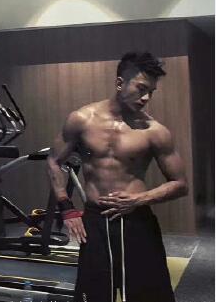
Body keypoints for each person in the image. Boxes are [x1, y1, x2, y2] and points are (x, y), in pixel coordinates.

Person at [47, 51, 188, 302]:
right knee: (95, 295)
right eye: (141, 89)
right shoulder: (82, 119)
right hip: (95, 221)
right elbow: (54, 161)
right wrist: (67, 209)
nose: (146, 98)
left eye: (151, 92)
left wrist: (138, 199)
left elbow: (180, 184)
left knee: (150, 295)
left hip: (136, 221)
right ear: (120, 83)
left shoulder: (154, 131)